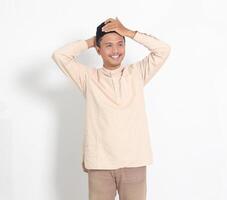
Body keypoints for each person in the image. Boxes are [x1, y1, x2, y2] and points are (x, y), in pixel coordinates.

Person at [51, 17, 171, 200]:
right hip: (100, 164)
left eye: (120, 44)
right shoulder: (88, 78)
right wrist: (94, 40)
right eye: (108, 45)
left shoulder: (137, 74)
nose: (115, 50)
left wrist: (129, 32)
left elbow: (163, 50)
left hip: (134, 161)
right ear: (98, 50)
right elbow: (60, 56)